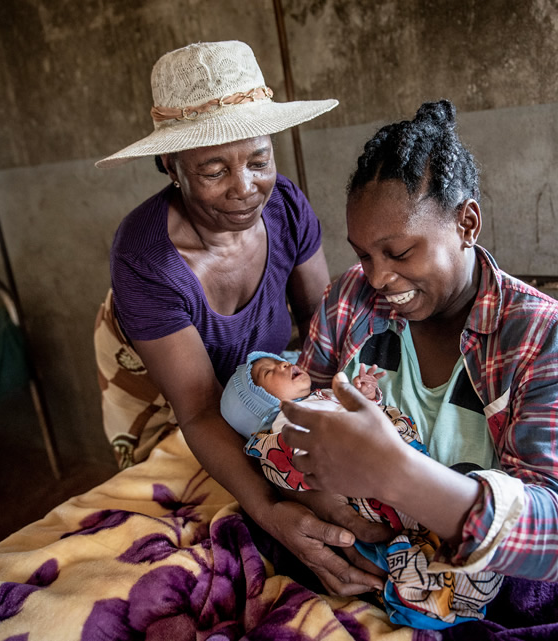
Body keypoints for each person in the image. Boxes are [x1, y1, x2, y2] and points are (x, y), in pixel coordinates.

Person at [93, 40, 390, 597]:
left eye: (259, 160)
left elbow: (326, 331)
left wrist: (344, 428)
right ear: (170, 166)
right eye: (213, 169)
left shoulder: (287, 209)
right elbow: (199, 408)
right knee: (160, 479)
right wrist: (269, 507)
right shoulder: (145, 258)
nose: (245, 186)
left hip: (258, 379)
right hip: (153, 376)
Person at [285, 100, 558, 587]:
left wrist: (396, 473)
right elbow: (295, 414)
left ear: (467, 224)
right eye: (363, 255)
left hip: (476, 582)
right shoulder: (348, 299)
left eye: (398, 252)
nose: (378, 277)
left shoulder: (545, 337)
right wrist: (333, 519)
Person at [220, 351, 504, 629]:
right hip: (371, 497)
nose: (283, 364)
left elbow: (369, 418)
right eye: (268, 372)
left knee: (448, 520)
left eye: (279, 360)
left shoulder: (325, 396)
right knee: (393, 550)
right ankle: (430, 592)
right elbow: (291, 465)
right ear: (261, 405)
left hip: (404, 467)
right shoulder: (286, 425)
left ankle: (465, 568)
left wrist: (367, 395)